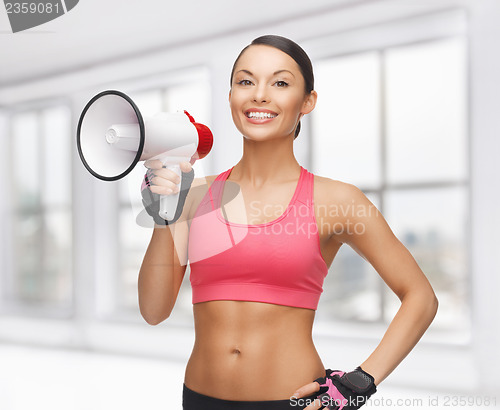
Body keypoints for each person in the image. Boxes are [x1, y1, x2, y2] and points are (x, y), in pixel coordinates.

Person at [137, 35, 439, 410]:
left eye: (280, 83)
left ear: (307, 101)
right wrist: (164, 215)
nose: (259, 95)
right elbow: (153, 311)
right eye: (245, 81)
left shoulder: (338, 201)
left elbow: (421, 297)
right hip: (199, 399)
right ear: (230, 95)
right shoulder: (193, 196)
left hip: (293, 402)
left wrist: (359, 382)